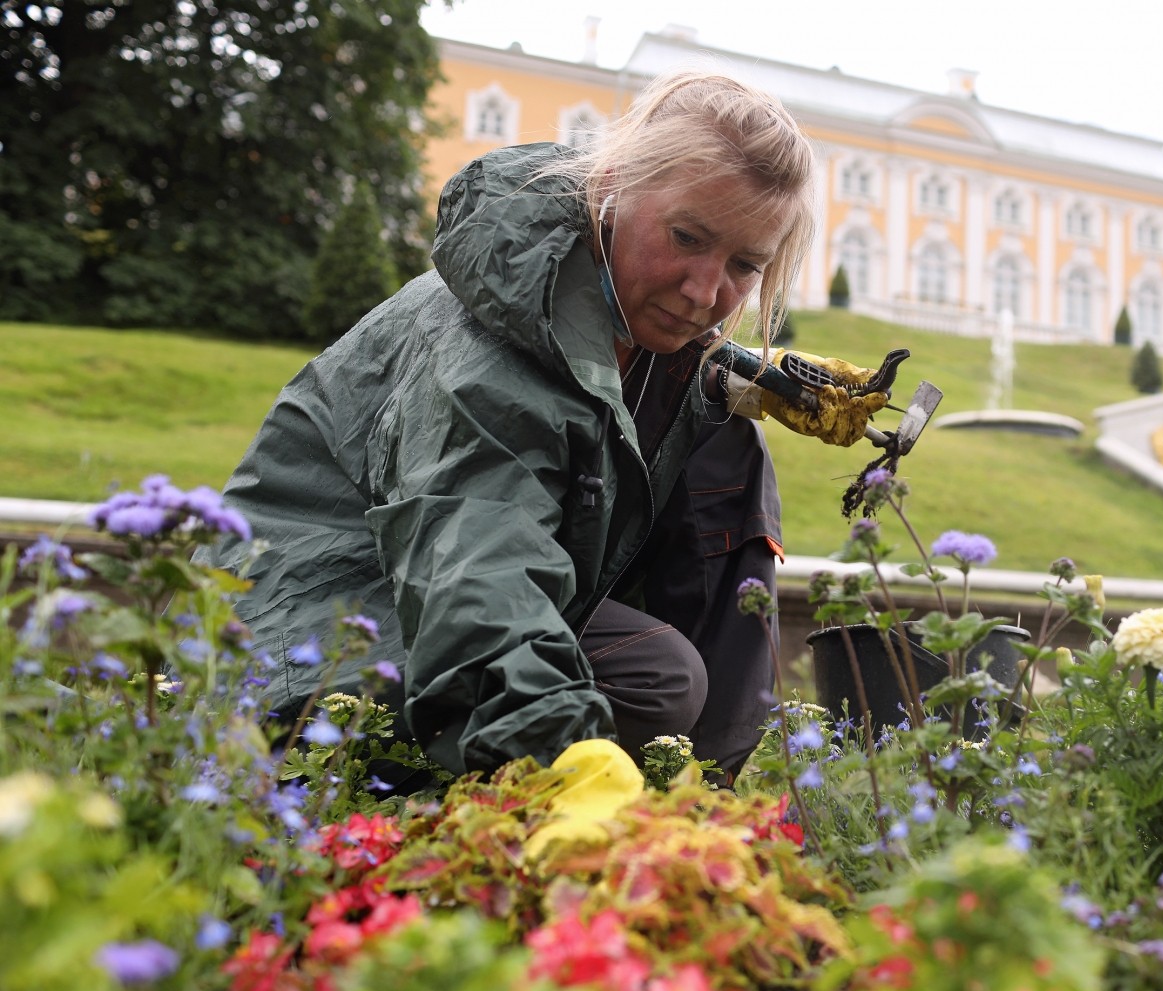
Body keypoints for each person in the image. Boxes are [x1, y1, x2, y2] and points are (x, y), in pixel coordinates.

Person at [200, 71, 889, 778]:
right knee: (657, 676)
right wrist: (562, 762)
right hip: (297, 640)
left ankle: (695, 795)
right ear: (613, 187)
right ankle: (478, 801)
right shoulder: (486, 346)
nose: (705, 292)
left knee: (726, 438)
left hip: (414, 594)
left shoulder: (630, 308)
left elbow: (608, 352)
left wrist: (740, 372)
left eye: (745, 265)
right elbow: (477, 561)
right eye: (687, 237)